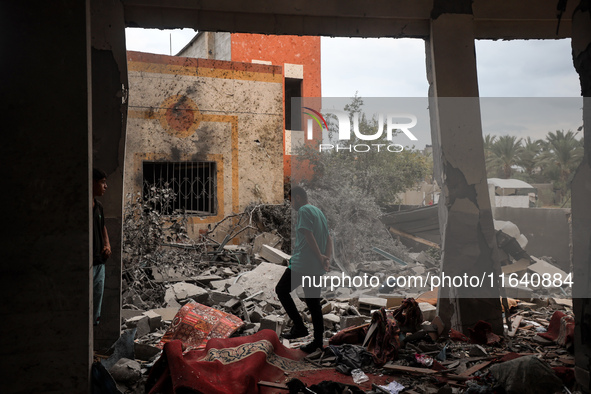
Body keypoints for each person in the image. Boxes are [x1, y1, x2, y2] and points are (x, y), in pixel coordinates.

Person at [275, 186, 332, 353]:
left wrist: (320, 257)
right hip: (315, 265)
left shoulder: (304, 211)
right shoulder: (318, 212)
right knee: (313, 302)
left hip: (304, 263)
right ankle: (318, 341)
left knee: (281, 290)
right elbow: (329, 237)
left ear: (298, 197)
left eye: (291, 200)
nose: (291, 203)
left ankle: (300, 327)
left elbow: (308, 235)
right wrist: (325, 258)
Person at [93, 168, 111, 325]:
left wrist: (107, 244)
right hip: (89, 262)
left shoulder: (98, 206)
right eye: (102, 183)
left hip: (100, 261)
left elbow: (103, 227)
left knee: (96, 300)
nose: (105, 186)